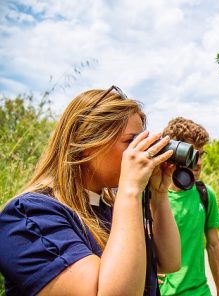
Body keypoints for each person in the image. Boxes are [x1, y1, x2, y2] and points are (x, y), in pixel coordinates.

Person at [0, 86, 181, 295]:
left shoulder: (110, 208)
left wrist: (159, 195)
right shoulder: (29, 217)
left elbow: (169, 262)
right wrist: (130, 190)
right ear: (88, 142)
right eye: (131, 141)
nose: (141, 152)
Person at [159, 117, 219, 296]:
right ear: (173, 153)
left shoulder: (205, 193)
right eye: (192, 155)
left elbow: (213, 245)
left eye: (201, 154)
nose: (199, 163)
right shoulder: (147, 197)